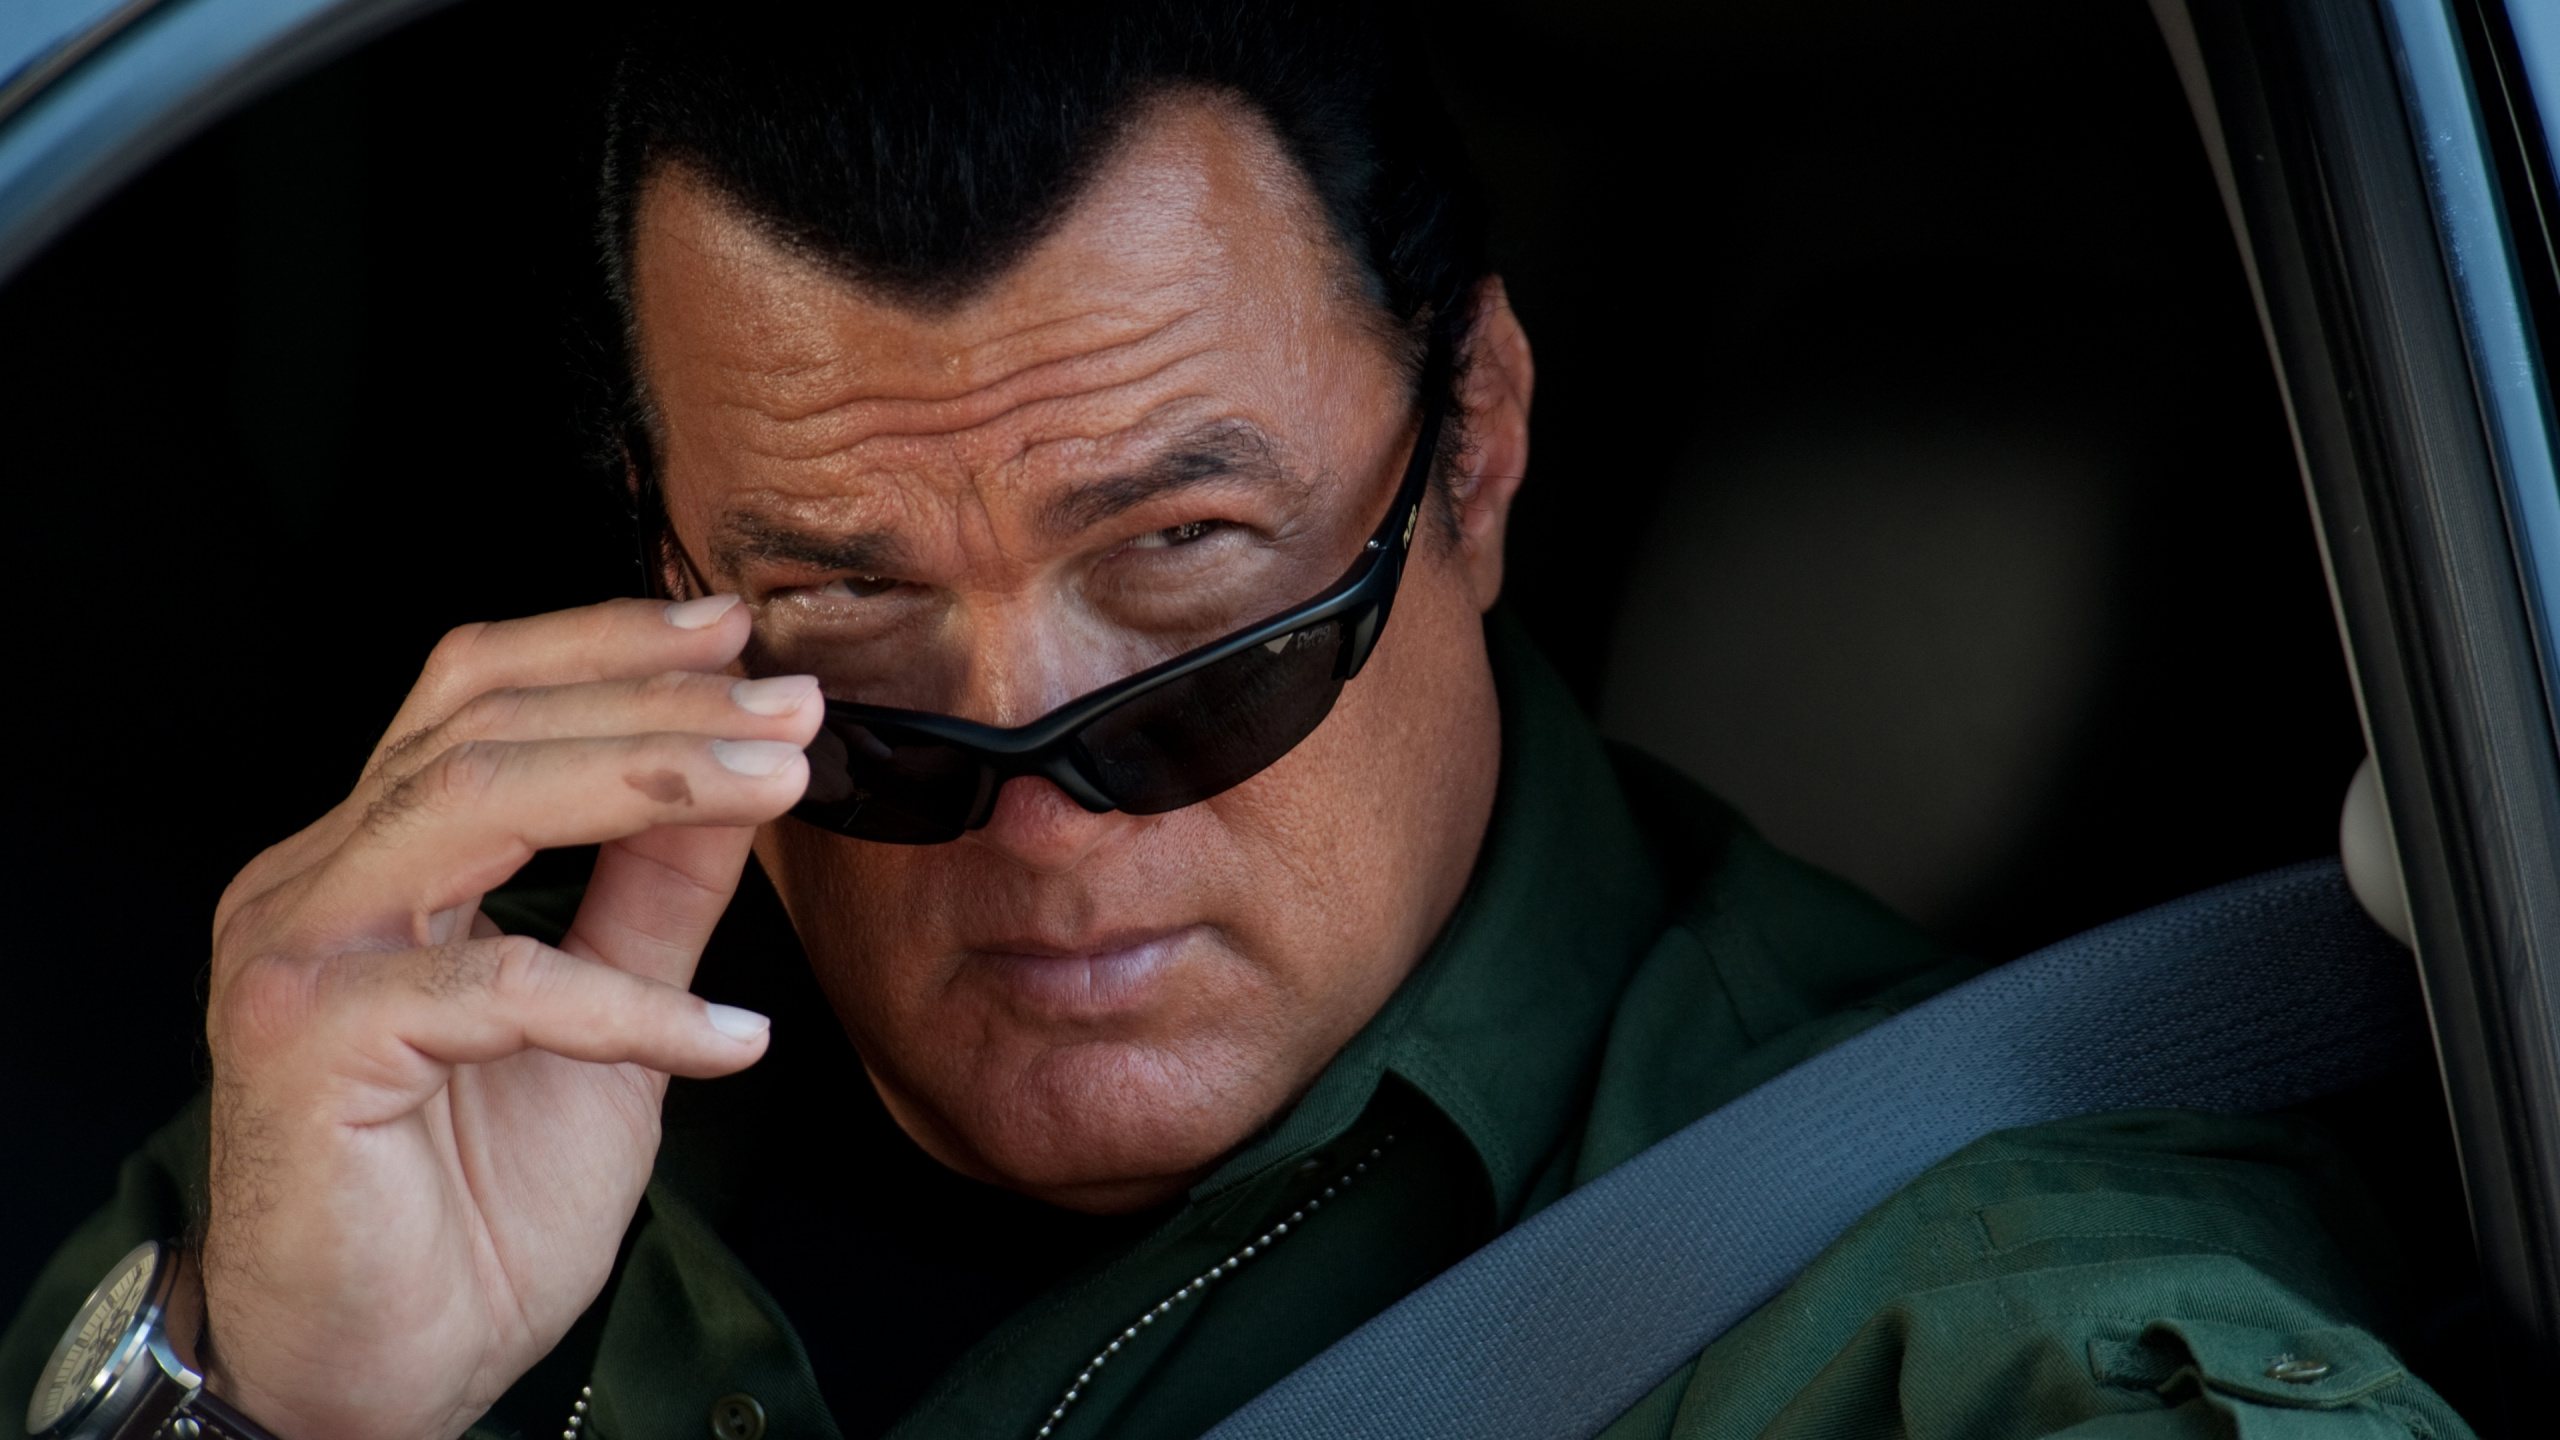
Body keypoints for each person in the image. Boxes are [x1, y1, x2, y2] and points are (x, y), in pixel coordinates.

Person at [0, 3, 2481, 1439]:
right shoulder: (432, 1107)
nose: (1043, 825)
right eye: (846, 636)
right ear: (668, 577)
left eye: (1195, 599)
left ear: (1471, 447)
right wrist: (261, 1404)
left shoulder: (1995, 1323)